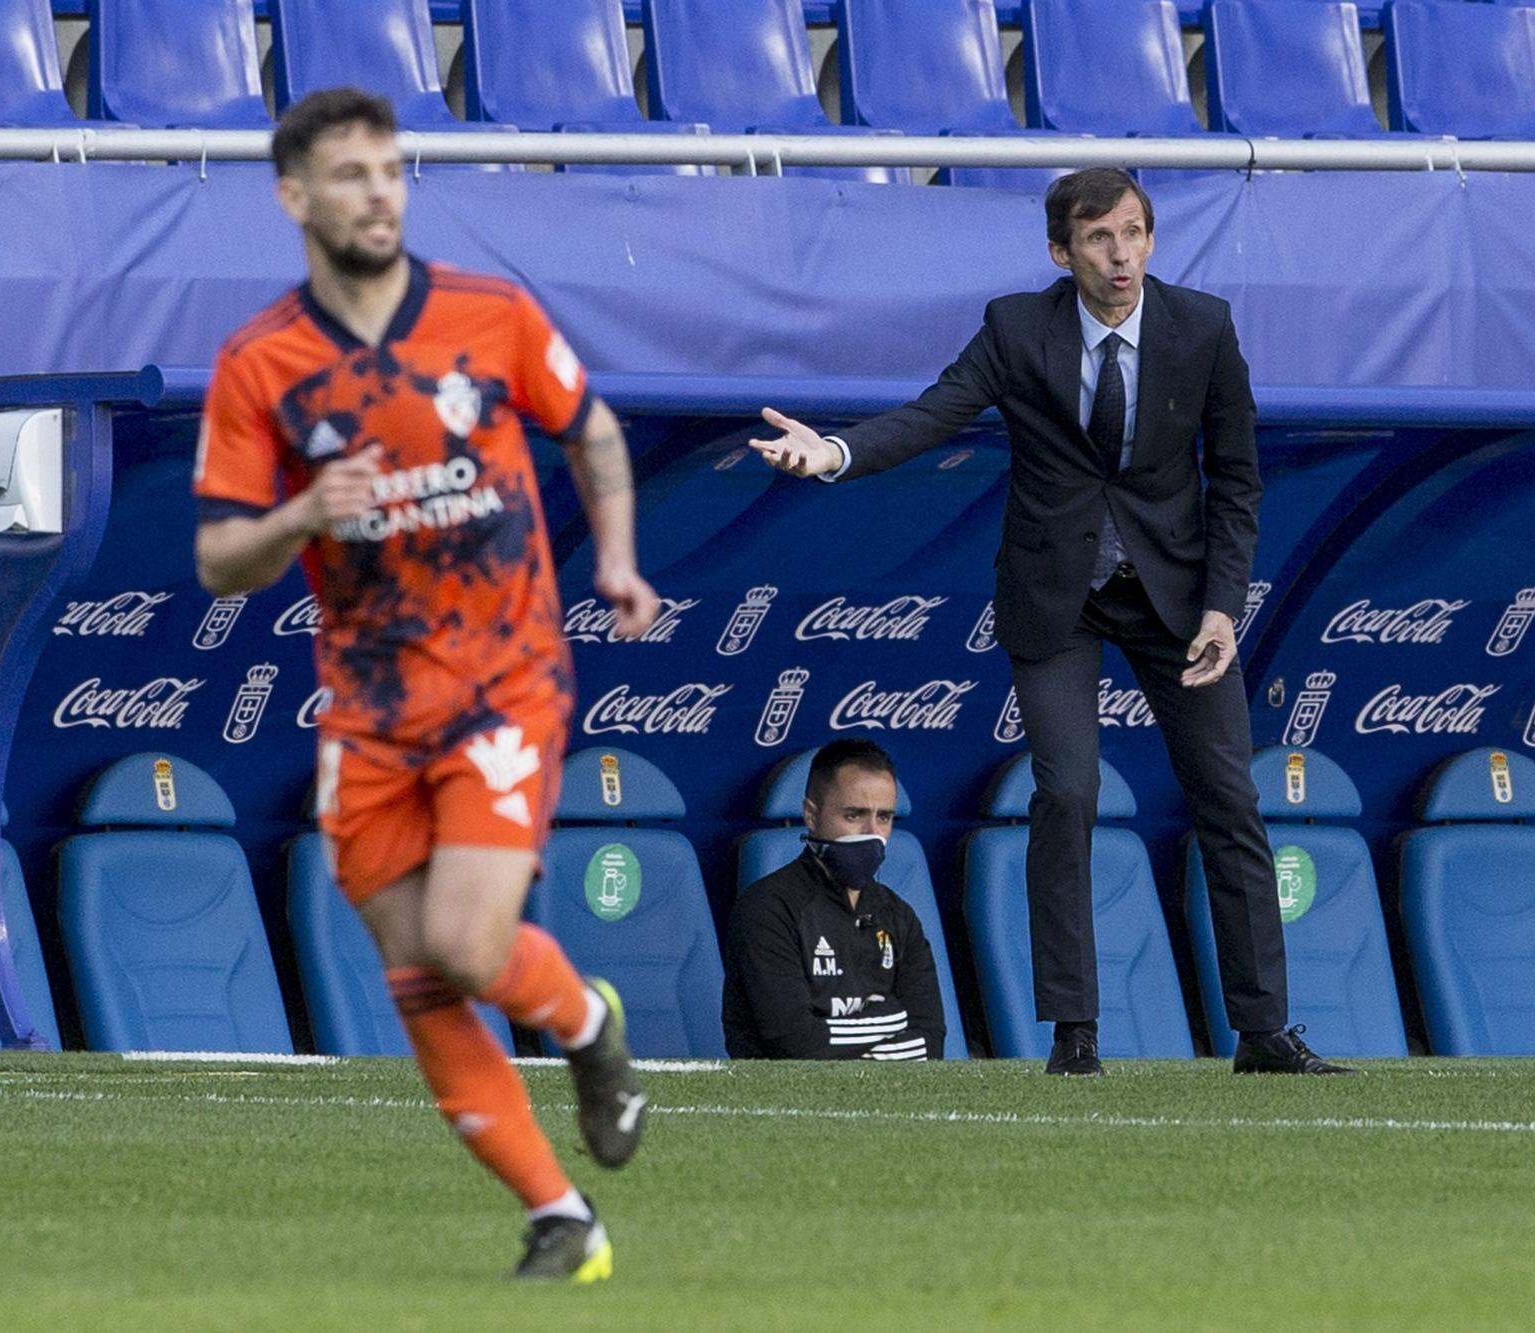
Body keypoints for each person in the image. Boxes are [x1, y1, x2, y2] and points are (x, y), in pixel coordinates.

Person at [192, 87, 660, 1282]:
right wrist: (302, 510)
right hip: (367, 706)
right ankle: (564, 1217)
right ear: (293, 197)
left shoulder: (489, 314)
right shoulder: (260, 363)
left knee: (462, 939)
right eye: (349, 174)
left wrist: (611, 554)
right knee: (415, 972)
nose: (377, 193)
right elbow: (218, 562)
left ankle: (585, 1022)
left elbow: (590, 429)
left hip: (504, 677)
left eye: (391, 170)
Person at [749, 169, 1352, 1078]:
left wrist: (1225, 605)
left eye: (1135, 233)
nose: (1121, 255)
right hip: (1055, 596)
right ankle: (1075, 1032)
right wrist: (834, 451)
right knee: (1066, 793)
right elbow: (932, 414)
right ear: (1060, 250)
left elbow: (1237, 480)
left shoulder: (1203, 326)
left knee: (1229, 797)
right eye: (1100, 238)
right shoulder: (1015, 327)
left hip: (1178, 599)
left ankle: (1263, 1031)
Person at [723, 740, 947, 1062]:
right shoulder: (767, 908)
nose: (872, 833)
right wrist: (893, 1017)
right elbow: (795, 1045)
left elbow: (931, 1042)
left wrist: (838, 1041)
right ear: (811, 815)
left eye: (884, 817)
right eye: (854, 815)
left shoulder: (899, 916)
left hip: (887, 1102)